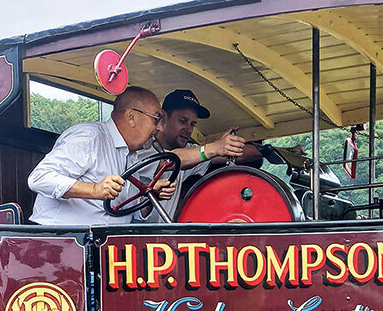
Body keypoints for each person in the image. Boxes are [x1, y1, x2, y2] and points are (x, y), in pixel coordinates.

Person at [28, 86, 174, 225]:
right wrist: (94, 190)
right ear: (131, 117)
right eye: (156, 119)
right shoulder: (89, 137)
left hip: (109, 244)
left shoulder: (132, 156)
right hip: (64, 242)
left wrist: (150, 196)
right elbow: (39, 178)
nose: (160, 128)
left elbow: (128, 212)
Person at [138, 89, 261, 218]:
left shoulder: (190, 152)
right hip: (132, 235)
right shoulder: (143, 149)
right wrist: (212, 148)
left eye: (192, 124)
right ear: (163, 119)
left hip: (164, 236)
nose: (188, 129)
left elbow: (231, 154)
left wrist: (268, 151)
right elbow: (171, 160)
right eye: (182, 121)